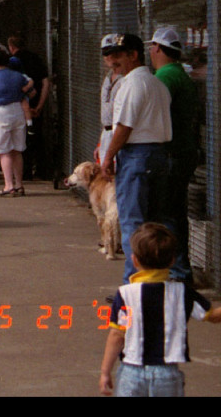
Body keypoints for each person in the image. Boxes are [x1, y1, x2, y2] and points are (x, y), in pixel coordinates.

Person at [99, 223, 221, 397]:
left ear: (135, 260)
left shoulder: (125, 294)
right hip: (167, 373)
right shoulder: (182, 292)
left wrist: (105, 371)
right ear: (172, 260)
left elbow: (117, 335)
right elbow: (213, 316)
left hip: (131, 371)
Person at [100, 33, 172, 283]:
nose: (111, 61)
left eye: (117, 55)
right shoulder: (157, 84)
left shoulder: (132, 85)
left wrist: (109, 156)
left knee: (133, 223)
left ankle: (135, 284)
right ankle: (157, 279)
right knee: (154, 223)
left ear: (134, 55)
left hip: (136, 155)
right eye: (109, 56)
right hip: (159, 154)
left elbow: (124, 126)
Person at [149, 26, 198, 284]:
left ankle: (176, 273)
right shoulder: (179, 74)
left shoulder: (165, 76)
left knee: (166, 215)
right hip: (183, 151)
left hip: (170, 153)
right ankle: (180, 270)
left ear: (157, 48)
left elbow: (154, 111)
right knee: (176, 213)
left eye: (151, 46)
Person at [0, 48, 34, 197]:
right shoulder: (18, 77)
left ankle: (8, 185)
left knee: (4, 152)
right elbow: (30, 89)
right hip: (17, 111)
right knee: (17, 150)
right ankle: (19, 185)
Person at [7, 35, 50, 180]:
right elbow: (45, 82)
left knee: (20, 141)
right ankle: (43, 170)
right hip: (36, 104)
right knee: (37, 138)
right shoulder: (36, 59)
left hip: (17, 107)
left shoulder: (11, 62)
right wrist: (39, 106)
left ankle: (24, 172)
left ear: (11, 47)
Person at [98, 34, 123, 167]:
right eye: (106, 53)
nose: (109, 57)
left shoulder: (127, 78)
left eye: (113, 53)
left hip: (120, 133)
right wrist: (100, 144)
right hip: (107, 133)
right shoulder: (107, 77)